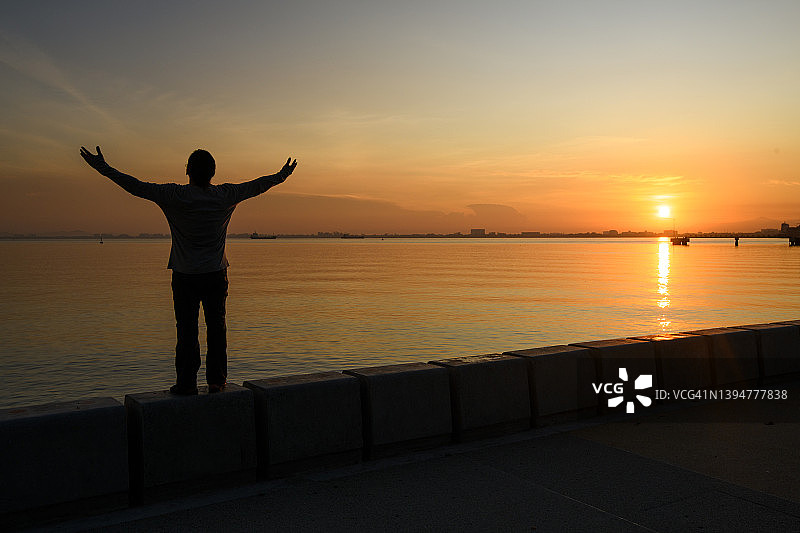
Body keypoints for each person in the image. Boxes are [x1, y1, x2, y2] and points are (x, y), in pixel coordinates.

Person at [79, 146, 297, 395]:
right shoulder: (225, 195)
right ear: (213, 173)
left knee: (186, 331)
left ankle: (186, 383)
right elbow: (257, 185)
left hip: (185, 276)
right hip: (216, 275)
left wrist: (103, 168)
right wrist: (282, 175)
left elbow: (136, 186)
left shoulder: (174, 195)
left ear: (187, 171)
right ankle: (216, 381)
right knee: (217, 329)